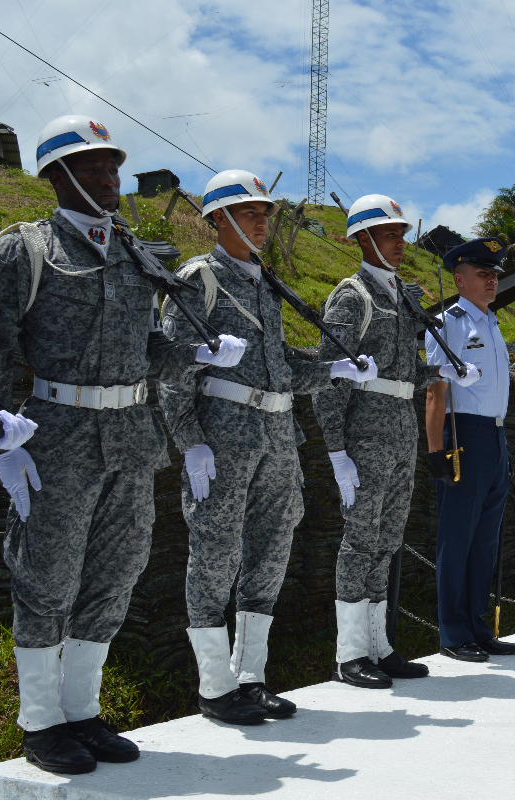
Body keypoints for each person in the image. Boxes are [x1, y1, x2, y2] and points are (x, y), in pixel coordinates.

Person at [0, 115, 247, 774]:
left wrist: (199, 354)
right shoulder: (27, 250)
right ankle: (40, 724)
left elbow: (148, 347)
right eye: (92, 167)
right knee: (46, 578)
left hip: (131, 436)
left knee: (116, 574)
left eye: (112, 167)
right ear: (55, 176)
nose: (108, 178)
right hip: (57, 432)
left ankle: (82, 712)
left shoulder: (133, 254)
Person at [158, 170, 377, 724]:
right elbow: (170, 368)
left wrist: (335, 369)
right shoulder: (198, 279)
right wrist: (189, 442)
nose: (263, 221)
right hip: (223, 440)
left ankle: (250, 678)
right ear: (218, 220)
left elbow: (279, 369)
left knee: (270, 555)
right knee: (214, 556)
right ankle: (214, 687)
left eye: (265, 213)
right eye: (251, 212)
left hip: (279, 439)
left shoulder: (266, 284)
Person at [314, 195, 479, 688]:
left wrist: (443, 370)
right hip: (364, 435)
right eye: (389, 234)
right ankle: (349, 653)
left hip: (399, 432)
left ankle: (379, 645)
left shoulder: (400, 296)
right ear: (362, 240)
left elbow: (402, 370)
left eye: (401, 234)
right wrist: (336, 450)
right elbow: (332, 377)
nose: (400, 243)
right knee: (359, 541)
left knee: (387, 542)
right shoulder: (351, 296)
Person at [425, 237, 515, 662]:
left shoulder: (492, 322)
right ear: (460, 279)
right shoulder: (451, 322)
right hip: (463, 434)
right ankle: (453, 632)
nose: (492, 281)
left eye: (495, 274)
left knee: (485, 539)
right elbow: (435, 390)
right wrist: (435, 450)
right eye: (483, 274)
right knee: (458, 537)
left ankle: (478, 627)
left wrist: (503, 447)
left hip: (494, 436)